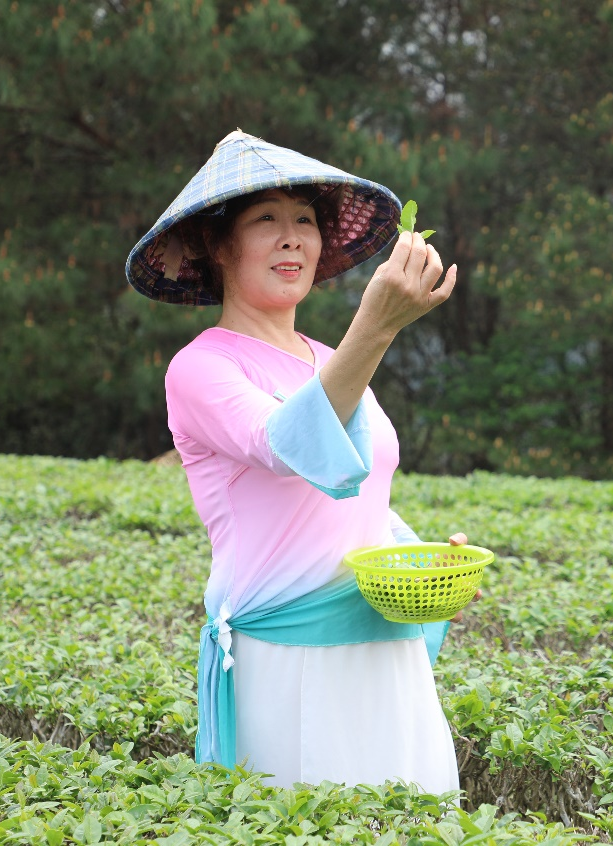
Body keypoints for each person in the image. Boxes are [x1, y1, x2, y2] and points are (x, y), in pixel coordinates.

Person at [126, 130, 472, 789]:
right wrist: (374, 326)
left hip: (387, 649)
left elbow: (359, 499)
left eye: (304, 221)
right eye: (266, 220)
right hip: (290, 658)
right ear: (216, 245)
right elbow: (289, 447)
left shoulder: (329, 358)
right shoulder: (202, 367)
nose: (292, 238)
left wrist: (423, 558)